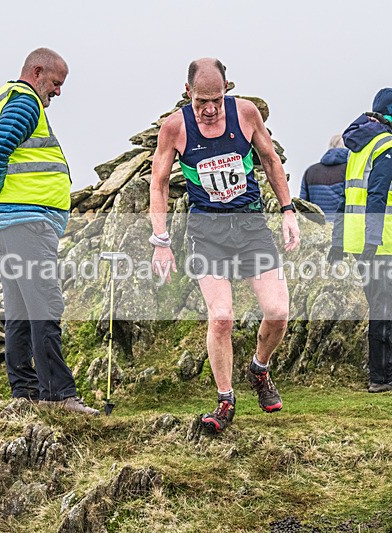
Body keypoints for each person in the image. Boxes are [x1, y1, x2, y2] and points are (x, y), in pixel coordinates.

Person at [149, 58, 300, 433]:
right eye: (201, 102)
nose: (210, 109)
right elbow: (159, 184)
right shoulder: (175, 128)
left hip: (250, 225)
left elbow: (269, 159)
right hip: (207, 230)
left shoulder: (245, 114)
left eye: (216, 99)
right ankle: (225, 400)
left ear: (227, 89)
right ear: (188, 94)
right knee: (221, 318)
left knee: (278, 311)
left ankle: (259, 369)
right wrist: (161, 241)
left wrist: (287, 210)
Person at [0, 48, 100, 416]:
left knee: (21, 310)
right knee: (44, 305)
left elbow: (3, 153)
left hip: (10, 224)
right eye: (56, 83)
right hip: (25, 222)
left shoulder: (8, 99)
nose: (58, 92)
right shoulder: (25, 101)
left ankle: (24, 392)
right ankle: (58, 395)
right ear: (37, 72)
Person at [329, 88, 392, 393]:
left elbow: (348, 196)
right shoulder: (389, 146)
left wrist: (338, 242)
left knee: (378, 303)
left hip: (358, 239)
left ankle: (381, 374)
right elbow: (377, 196)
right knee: (386, 304)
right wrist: (373, 240)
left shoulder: (361, 145)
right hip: (376, 242)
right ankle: (382, 378)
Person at [299, 135, 348, 223]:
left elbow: (303, 204)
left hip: (318, 228)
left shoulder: (311, 171)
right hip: (342, 227)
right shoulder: (351, 170)